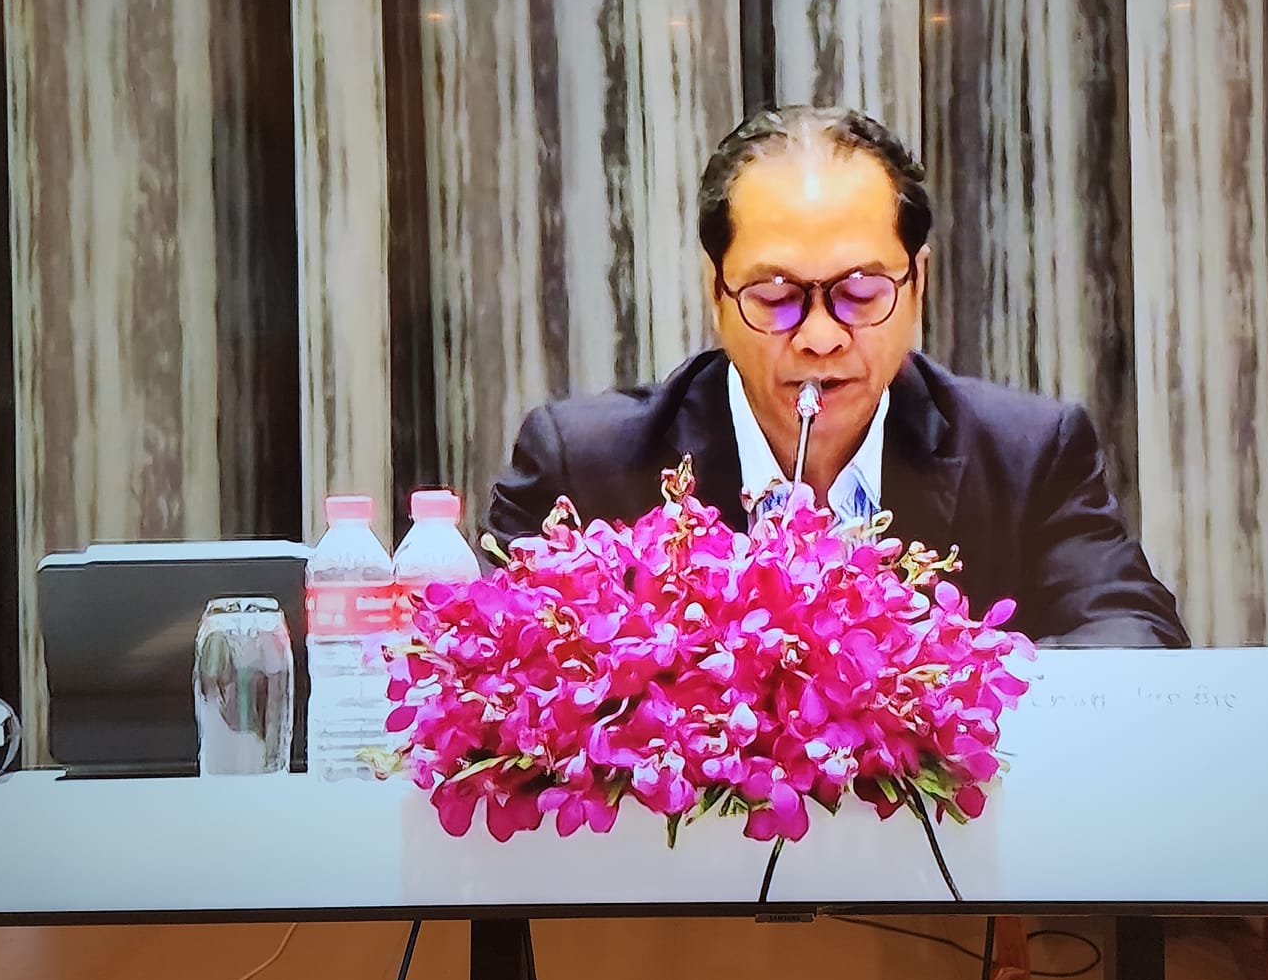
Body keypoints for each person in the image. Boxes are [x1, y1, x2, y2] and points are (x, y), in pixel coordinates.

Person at [484, 106, 1188, 647]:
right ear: (716, 293)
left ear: (917, 286)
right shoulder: (583, 468)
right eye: (775, 296)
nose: (821, 337)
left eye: (860, 292)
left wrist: (938, 696)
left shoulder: (1027, 453)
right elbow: (492, 667)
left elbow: (1134, 640)